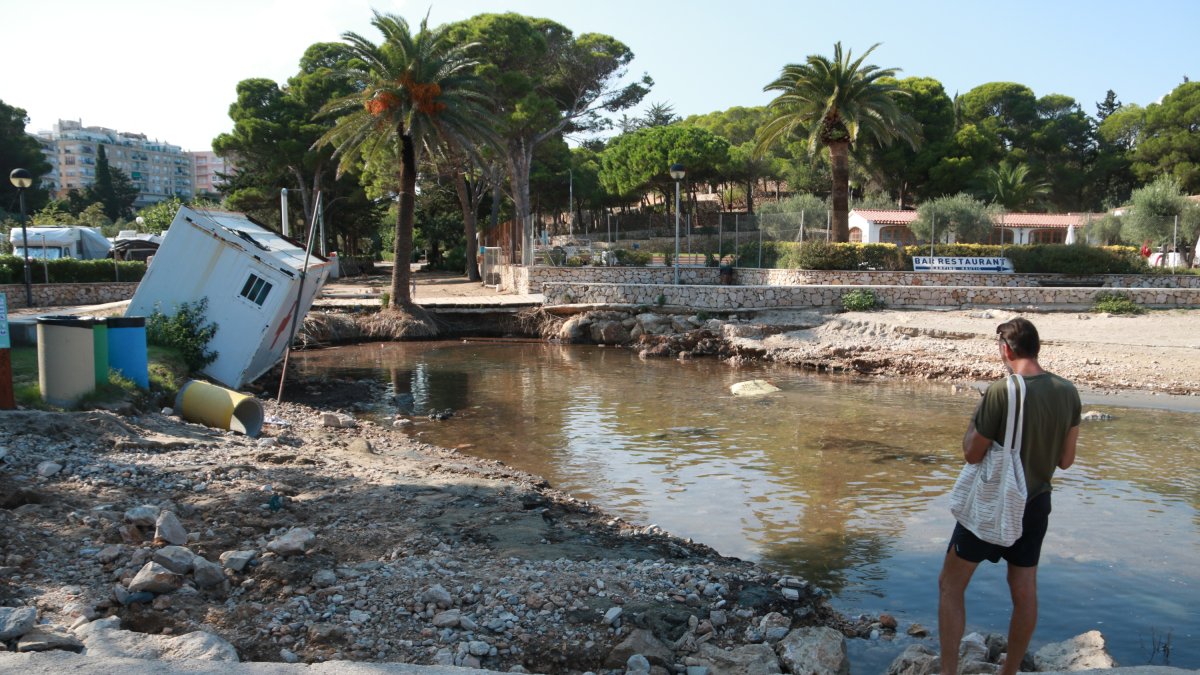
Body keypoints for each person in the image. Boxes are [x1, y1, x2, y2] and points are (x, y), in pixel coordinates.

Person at [938, 318, 1081, 675]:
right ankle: (1010, 671)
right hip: (1036, 505)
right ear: (1037, 347)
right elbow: (1065, 461)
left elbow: (972, 453)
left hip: (995, 503)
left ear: (1005, 349)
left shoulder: (1002, 391)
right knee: (1023, 589)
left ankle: (948, 671)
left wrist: (975, 419)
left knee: (950, 586)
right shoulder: (1068, 391)